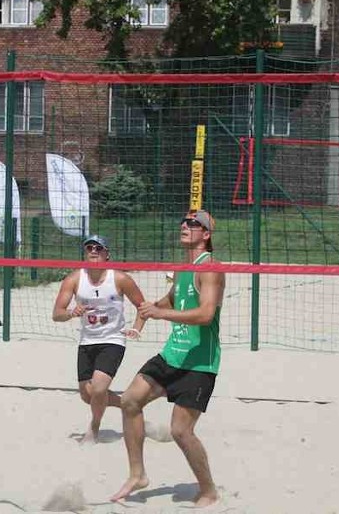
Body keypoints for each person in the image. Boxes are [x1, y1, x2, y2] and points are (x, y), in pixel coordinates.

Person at [111, 210, 224, 508]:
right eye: (184, 222)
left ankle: (209, 490)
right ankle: (138, 474)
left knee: (181, 432)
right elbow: (166, 303)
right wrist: (143, 315)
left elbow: (205, 314)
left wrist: (161, 313)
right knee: (129, 400)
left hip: (199, 363)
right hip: (172, 355)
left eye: (193, 224)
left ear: (206, 234)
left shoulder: (211, 268)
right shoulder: (184, 268)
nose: (185, 226)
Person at [52, 235, 146, 444]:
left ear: (107, 254)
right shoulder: (74, 279)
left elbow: (143, 307)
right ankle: (128, 405)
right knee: (88, 396)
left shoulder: (120, 279)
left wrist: (136, 328)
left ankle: (93, 428)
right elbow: (56, 314)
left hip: (113, 340)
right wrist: (71, 312)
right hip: (87, 341)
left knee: (99, 389)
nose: (93, 251)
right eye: (89, 248)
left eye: (98, 248)